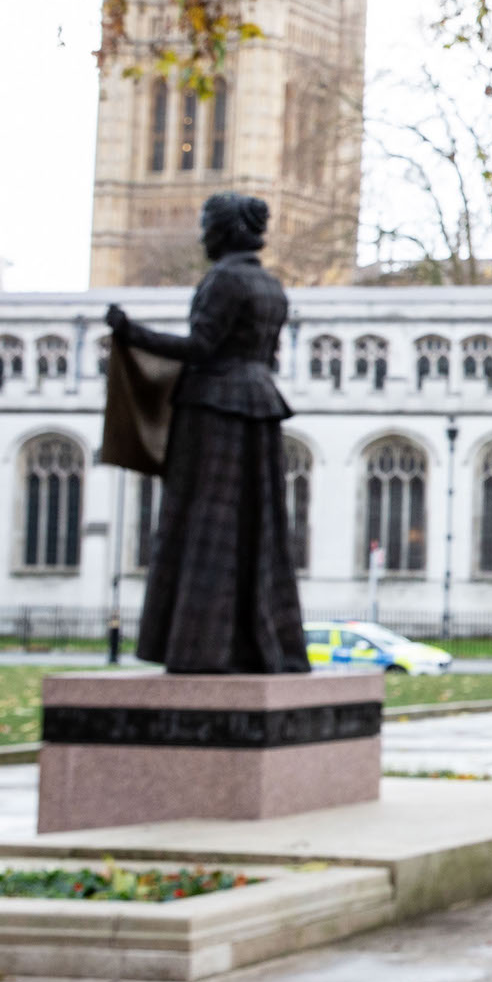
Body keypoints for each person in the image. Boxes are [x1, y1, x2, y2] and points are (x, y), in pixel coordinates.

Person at [105, 193, 308, 674]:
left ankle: (202, 648)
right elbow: (268, 357)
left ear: (224, 231)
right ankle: (261, 644)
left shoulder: (223, 281)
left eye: (206, 226)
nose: (201, 235)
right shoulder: (271, 286)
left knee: (203, 524)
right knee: (256, 527)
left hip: (214, 407)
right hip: (259, 406)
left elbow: (200, 346)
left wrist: (132, 333)